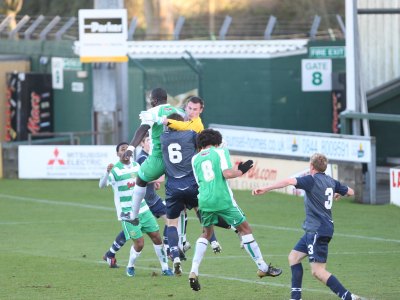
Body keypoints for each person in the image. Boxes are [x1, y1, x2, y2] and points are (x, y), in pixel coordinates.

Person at [252, 153, 362, 300]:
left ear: (311, 166)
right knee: (294, 257)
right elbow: (351, 191)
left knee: (318, 271)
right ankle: (296, 297)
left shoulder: (311, 180)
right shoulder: (331, 181)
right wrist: (338, 193)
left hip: (317, 230)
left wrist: (266, 188)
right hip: (316, 229)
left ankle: (348, 297)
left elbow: (288, 181)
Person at [188, 129, 282, 291]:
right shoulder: (220, 151)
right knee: (245, 229)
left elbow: (200, 181)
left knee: (206, 233)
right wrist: (242, 170)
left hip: (204, 199)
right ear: (217, 141)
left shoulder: (195, 159)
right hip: (223, 198)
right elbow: (227, 174)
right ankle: (263, 268)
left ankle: (193, 270)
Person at [160, 113, 224, 276]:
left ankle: (175, 257)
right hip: (191, 182)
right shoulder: (190, 135)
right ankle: (214, 241)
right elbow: (203, 143)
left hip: (173, 185)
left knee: (172, 223)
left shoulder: (163, 138)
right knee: (200, 211)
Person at [99, 142, 173, 277]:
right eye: (122, 149)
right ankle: (130, 266)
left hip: (144, 209)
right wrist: (106, 172)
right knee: (139, 243)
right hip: (127, 214)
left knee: (157, 238)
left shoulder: (137, 166)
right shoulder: (115, 170)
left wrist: (153, 182)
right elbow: (102, 185)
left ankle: (165, 268)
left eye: (128, 149)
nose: (126, 151)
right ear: (117, 154)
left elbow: (143, 179)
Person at [122, 87, 181, 224]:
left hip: (159, 157)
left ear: (154, 100)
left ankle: (133, 215)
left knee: (141, 179)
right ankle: (182, 239)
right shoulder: (179, 111)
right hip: (179, 159)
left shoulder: (152, 112)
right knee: (182, 198)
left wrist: (130, 148)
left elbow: (143, 129)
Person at [136, 133, 169, 255]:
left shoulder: (149, 157)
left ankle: (168, 246)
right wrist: (158, 178)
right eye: (147, 140)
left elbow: (149, 178)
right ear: (142, 143)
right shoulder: (142, 158)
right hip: (143, 202)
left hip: (153, 199)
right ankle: (111, 253)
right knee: (133, 230)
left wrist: (153, 182)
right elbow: (139, 178)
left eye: (151, 140)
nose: (150, 143)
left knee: (170, 218)